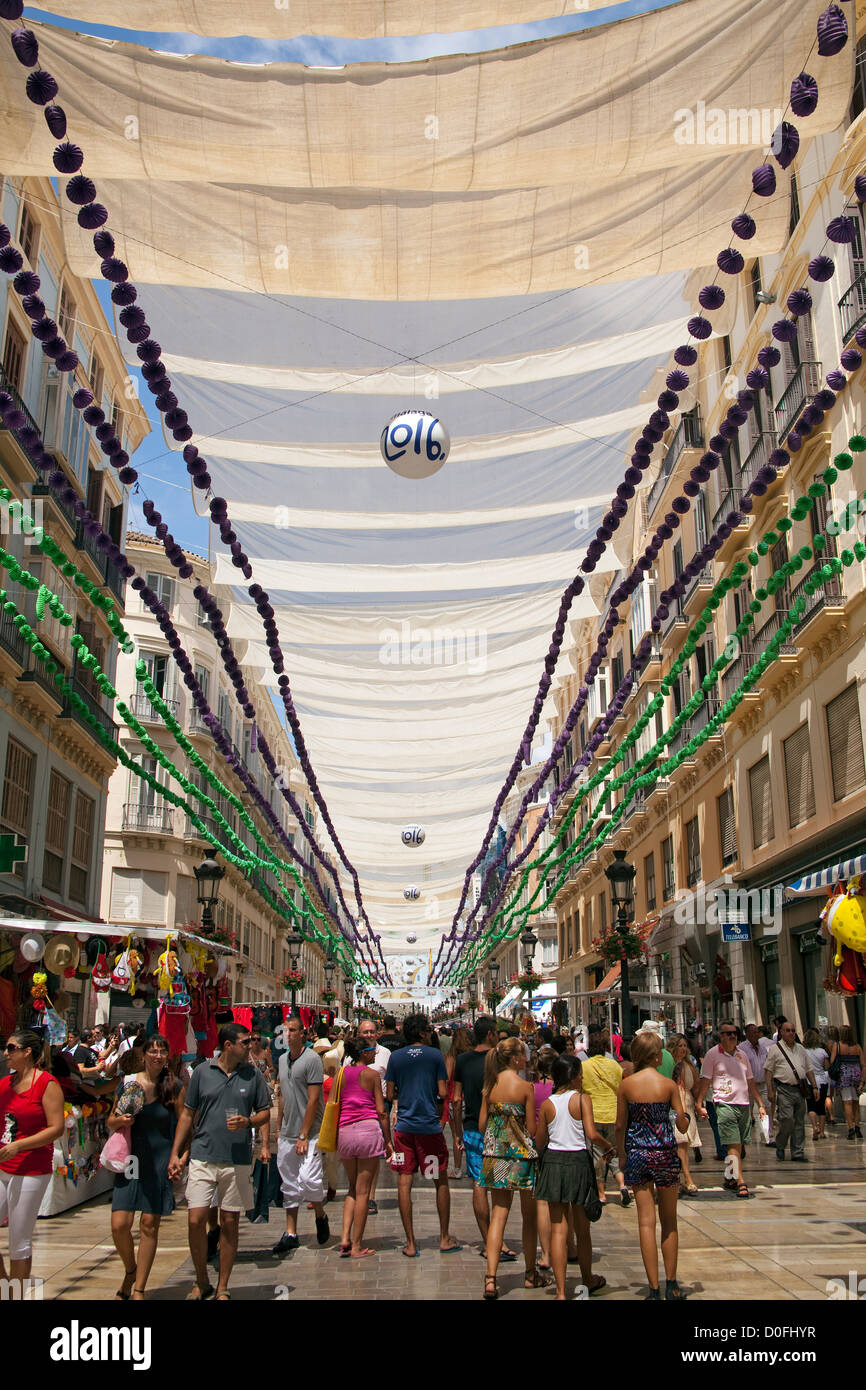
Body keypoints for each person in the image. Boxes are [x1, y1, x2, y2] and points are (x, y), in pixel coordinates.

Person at [167, 1023, 270, 1300]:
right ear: (228, 1045)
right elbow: (188, 1114)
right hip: (203, 1154)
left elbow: (265, 1113)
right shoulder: (202, 1072)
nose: (251, 1046)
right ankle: (202, 1280)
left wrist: (248, 1122)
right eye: (245, 1042)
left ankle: (223, 1286)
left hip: (236, 1158)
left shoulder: (253, 1075)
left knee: (230, 1221)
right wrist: (176, 1153)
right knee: (195, 1219)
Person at [110, 1034, 187, 1300]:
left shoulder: (173, 1086)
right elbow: (111, 1120)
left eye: (162, 1051)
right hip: (131, 1158)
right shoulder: (128, 1084)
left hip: (158, 1159)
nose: (157, 1055)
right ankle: (131, 1270)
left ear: (168, 1056)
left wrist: (180, 1156)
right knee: (120, 1223)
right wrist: (120, 1119)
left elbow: (185, 1125)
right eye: (152, 1051)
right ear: (143, 1055)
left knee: (149, 1224)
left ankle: (139, 1288)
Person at [616, 1031, 690, 1300]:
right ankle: (671, 1284)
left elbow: (620, 1124)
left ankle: (653, 1288)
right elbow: (681, 1123)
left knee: (645, 1223)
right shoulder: (668, 1085)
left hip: (638, 1154)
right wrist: (685, 1117)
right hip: (665, 1154)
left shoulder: (627, 1085)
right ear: (656, 1056)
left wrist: (622, 1154)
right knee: (669, 1220)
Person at [385, 1012, 460, 1258]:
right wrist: (437, 1111)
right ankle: (444, 1237)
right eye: (427, 1030)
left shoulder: (396, 1058)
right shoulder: (435, 1056)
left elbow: (389, 1093)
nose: (430, 1033)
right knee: (438, 1179)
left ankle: (410, 1242)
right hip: (429, 1128)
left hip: (404, 1129)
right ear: (420, 1033)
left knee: (404, 1180)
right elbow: (442, 1091)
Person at [477, 1035, 547, 1299]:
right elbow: (531, 1128)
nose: (526, 1058)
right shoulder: (525, 1087)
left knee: (499, 1215)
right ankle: (530, 1274)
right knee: (528, 1217)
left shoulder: (489, 1086)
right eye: (524, 1054)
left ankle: (491, 1279)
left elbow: (483, 1126)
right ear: (516, 1058)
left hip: (495, 1155)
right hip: (521, 1157)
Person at [535, 1054, 609, 1301]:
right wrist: (609, 1147)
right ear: (577, 1076)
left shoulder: (547, 1104)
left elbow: (540, 1141)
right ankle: (587, 1278)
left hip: (554, 1163)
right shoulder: (582, 1100)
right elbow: (591, 1133)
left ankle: (559, 1291)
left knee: (558, 1229)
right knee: (582, 1229)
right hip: (578, 1162)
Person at [0, 1029, 65, 1289]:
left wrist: (20, 1145)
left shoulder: (46, 1083)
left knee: (19, 1240)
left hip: (31, 1170)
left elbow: (56, 1127)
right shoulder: (5, 1083)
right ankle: (5, 1284)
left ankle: (13, 1297)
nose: (6, 1053)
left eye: (11, 1048)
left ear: (27, 1052)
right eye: (6, 1048)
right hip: (3, 1166)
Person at [452, 1015, 519, 1264]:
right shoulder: (499, 1062)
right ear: (491, 1035)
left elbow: (456, 1099)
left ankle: (489, 1240)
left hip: (471, 1129)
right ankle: (497, 1240)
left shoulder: (462, 1060)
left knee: (479, 1183)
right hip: (499, 1128)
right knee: (500, 1185)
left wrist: (458, 1131)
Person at [272, 1014, 330, 1254]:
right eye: (286, 1031)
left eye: (293, 1030)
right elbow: (283, 1095)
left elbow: (314, 1099)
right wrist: (279, 1126)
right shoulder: (283, 1061)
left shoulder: (312, 1060)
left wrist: (305, 1134)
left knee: (309, 1179)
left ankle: (320, 1214)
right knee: (289, 1184)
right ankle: (291, 1232)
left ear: (303, 1033)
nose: (289, 1034)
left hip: (310, 1132)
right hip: (287, 1132)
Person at [336, 1035, 393, 1257]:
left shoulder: (342, 1074)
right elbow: (381, 1111)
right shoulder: (371, 1075)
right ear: (362, 1053)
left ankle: (344, 1238)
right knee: (363, 1192)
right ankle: (357, 1245)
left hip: (345, 1132)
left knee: (351, 1188)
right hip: (368, 1132)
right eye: (371, 1050)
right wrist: (388, 1141)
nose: (374, 1053)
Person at [695, 1023, 766, 1196]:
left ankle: (730, 1176)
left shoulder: (742, 1055)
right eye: (728, 1033)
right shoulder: (712, 1055)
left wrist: (760, 1103)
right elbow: (705, 1080)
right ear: (721, 1035)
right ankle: (741, 1180)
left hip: (743, 1104)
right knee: (733, 1143)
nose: (732, 1036)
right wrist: (699, 1103)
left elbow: (750, 1081)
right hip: (724, 1104)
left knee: (739, 1145)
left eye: (734, 1033)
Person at [581, 1033, 630, 1207]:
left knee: (598, 1155)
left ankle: (601, 1194)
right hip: (613, 1114)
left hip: (593, 1115)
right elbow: (620, 1087)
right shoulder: (614, 1066)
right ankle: (622, 1185)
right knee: (614, 1152)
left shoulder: (584, 1066)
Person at [764, 1022, 819, 1162]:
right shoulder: (775, 1049)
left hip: (800, 1089)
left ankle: (798, 1152)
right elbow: (768, 1070)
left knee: (799, 1121)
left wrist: (814, 1087)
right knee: (787, 1119)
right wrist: (770, 1090)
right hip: (784, 1089)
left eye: (793, 1030)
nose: (791, 1033)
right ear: (781, 1032)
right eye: (788, 1030)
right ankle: (781, 1144)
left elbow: (808, 1069)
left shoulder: (800, 1048)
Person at [668, 1034, 701, 1194]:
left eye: (684, 1046)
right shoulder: (668, 1064)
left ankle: (680, 1179)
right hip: (673, 1107)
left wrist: (699, 1105)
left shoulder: (690, 1065)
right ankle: (687, 1178)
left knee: (684, 1145)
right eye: (679, 1046)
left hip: (687, 1105)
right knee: (680, 1143)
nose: (683, 1049)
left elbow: (696, 1087)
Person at [444, 1026, 473, 1176]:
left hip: (453, 1098)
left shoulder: (452, 1056)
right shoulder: (472, 1056)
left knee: (457, 1134)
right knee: (471, 1132)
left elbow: (447, 1077)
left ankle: (457, 1169)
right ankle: (472, 1166)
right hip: (470, 1098)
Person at [740, 1023, 773, 1143]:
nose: (756, 1034)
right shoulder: (742, 1048)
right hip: (747, 1085)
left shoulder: (762, 1048)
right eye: (753, 1032)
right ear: (747, 1034)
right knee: (746, 1111)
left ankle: (767, 1135)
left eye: (757, 1032)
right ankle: (745, 1136)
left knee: (766, 1108)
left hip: (762, 1083)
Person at [836, 1026, 864, 1140]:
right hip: (856, 1074)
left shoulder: (838, 1046)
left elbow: (833, 1062)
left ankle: (851, 1129)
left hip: (844, 1075)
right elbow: (864, 1064)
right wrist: (862, 1081)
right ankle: (858, 1128)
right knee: (855, 1102)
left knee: (847, 1102)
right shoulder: (857, 1047)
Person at [801, 1028, 829, 1142]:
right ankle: (822, 1132)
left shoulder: (803, 1052)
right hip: (822, 1080)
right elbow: (827, 1067)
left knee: (811, 1106)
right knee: (821, 1106)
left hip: (808, 1081)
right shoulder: (822, 1051)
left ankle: (814, 1128)